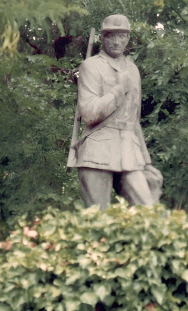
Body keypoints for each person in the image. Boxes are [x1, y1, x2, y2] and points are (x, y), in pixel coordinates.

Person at [67, 14, 162, 209]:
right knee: (97, 216)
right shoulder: (91, 66)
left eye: (121, 36)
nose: (117, 42)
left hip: (130, 151)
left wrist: (146, 161)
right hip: (97, 152)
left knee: (148, 211)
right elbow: (89, 113)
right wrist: (118, 91)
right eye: (111, 36)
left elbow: (134, 120)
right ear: (102, 38)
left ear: (128, 38)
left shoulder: (133, 70)